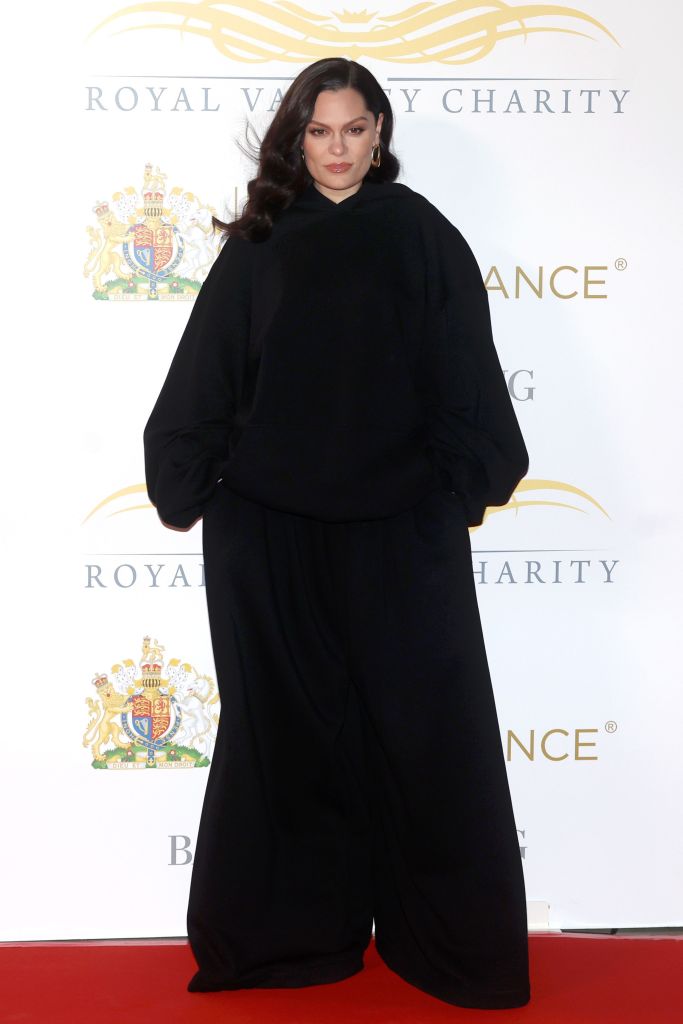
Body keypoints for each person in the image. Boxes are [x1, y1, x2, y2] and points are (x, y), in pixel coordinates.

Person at [143, 57, 531, 1010]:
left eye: (354, 129)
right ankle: (285, 939)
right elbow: (206, 374)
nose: (337, 149)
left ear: (380, 132)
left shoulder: (421, 234)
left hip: (400, 531)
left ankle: (445, 947)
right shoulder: (262, 241)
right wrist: (203, 480)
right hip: (270, 534)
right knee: (282, 734)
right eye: (319, 132)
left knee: (428, 734)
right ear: (296, 136)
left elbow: (465, 374)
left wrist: (448, 486)